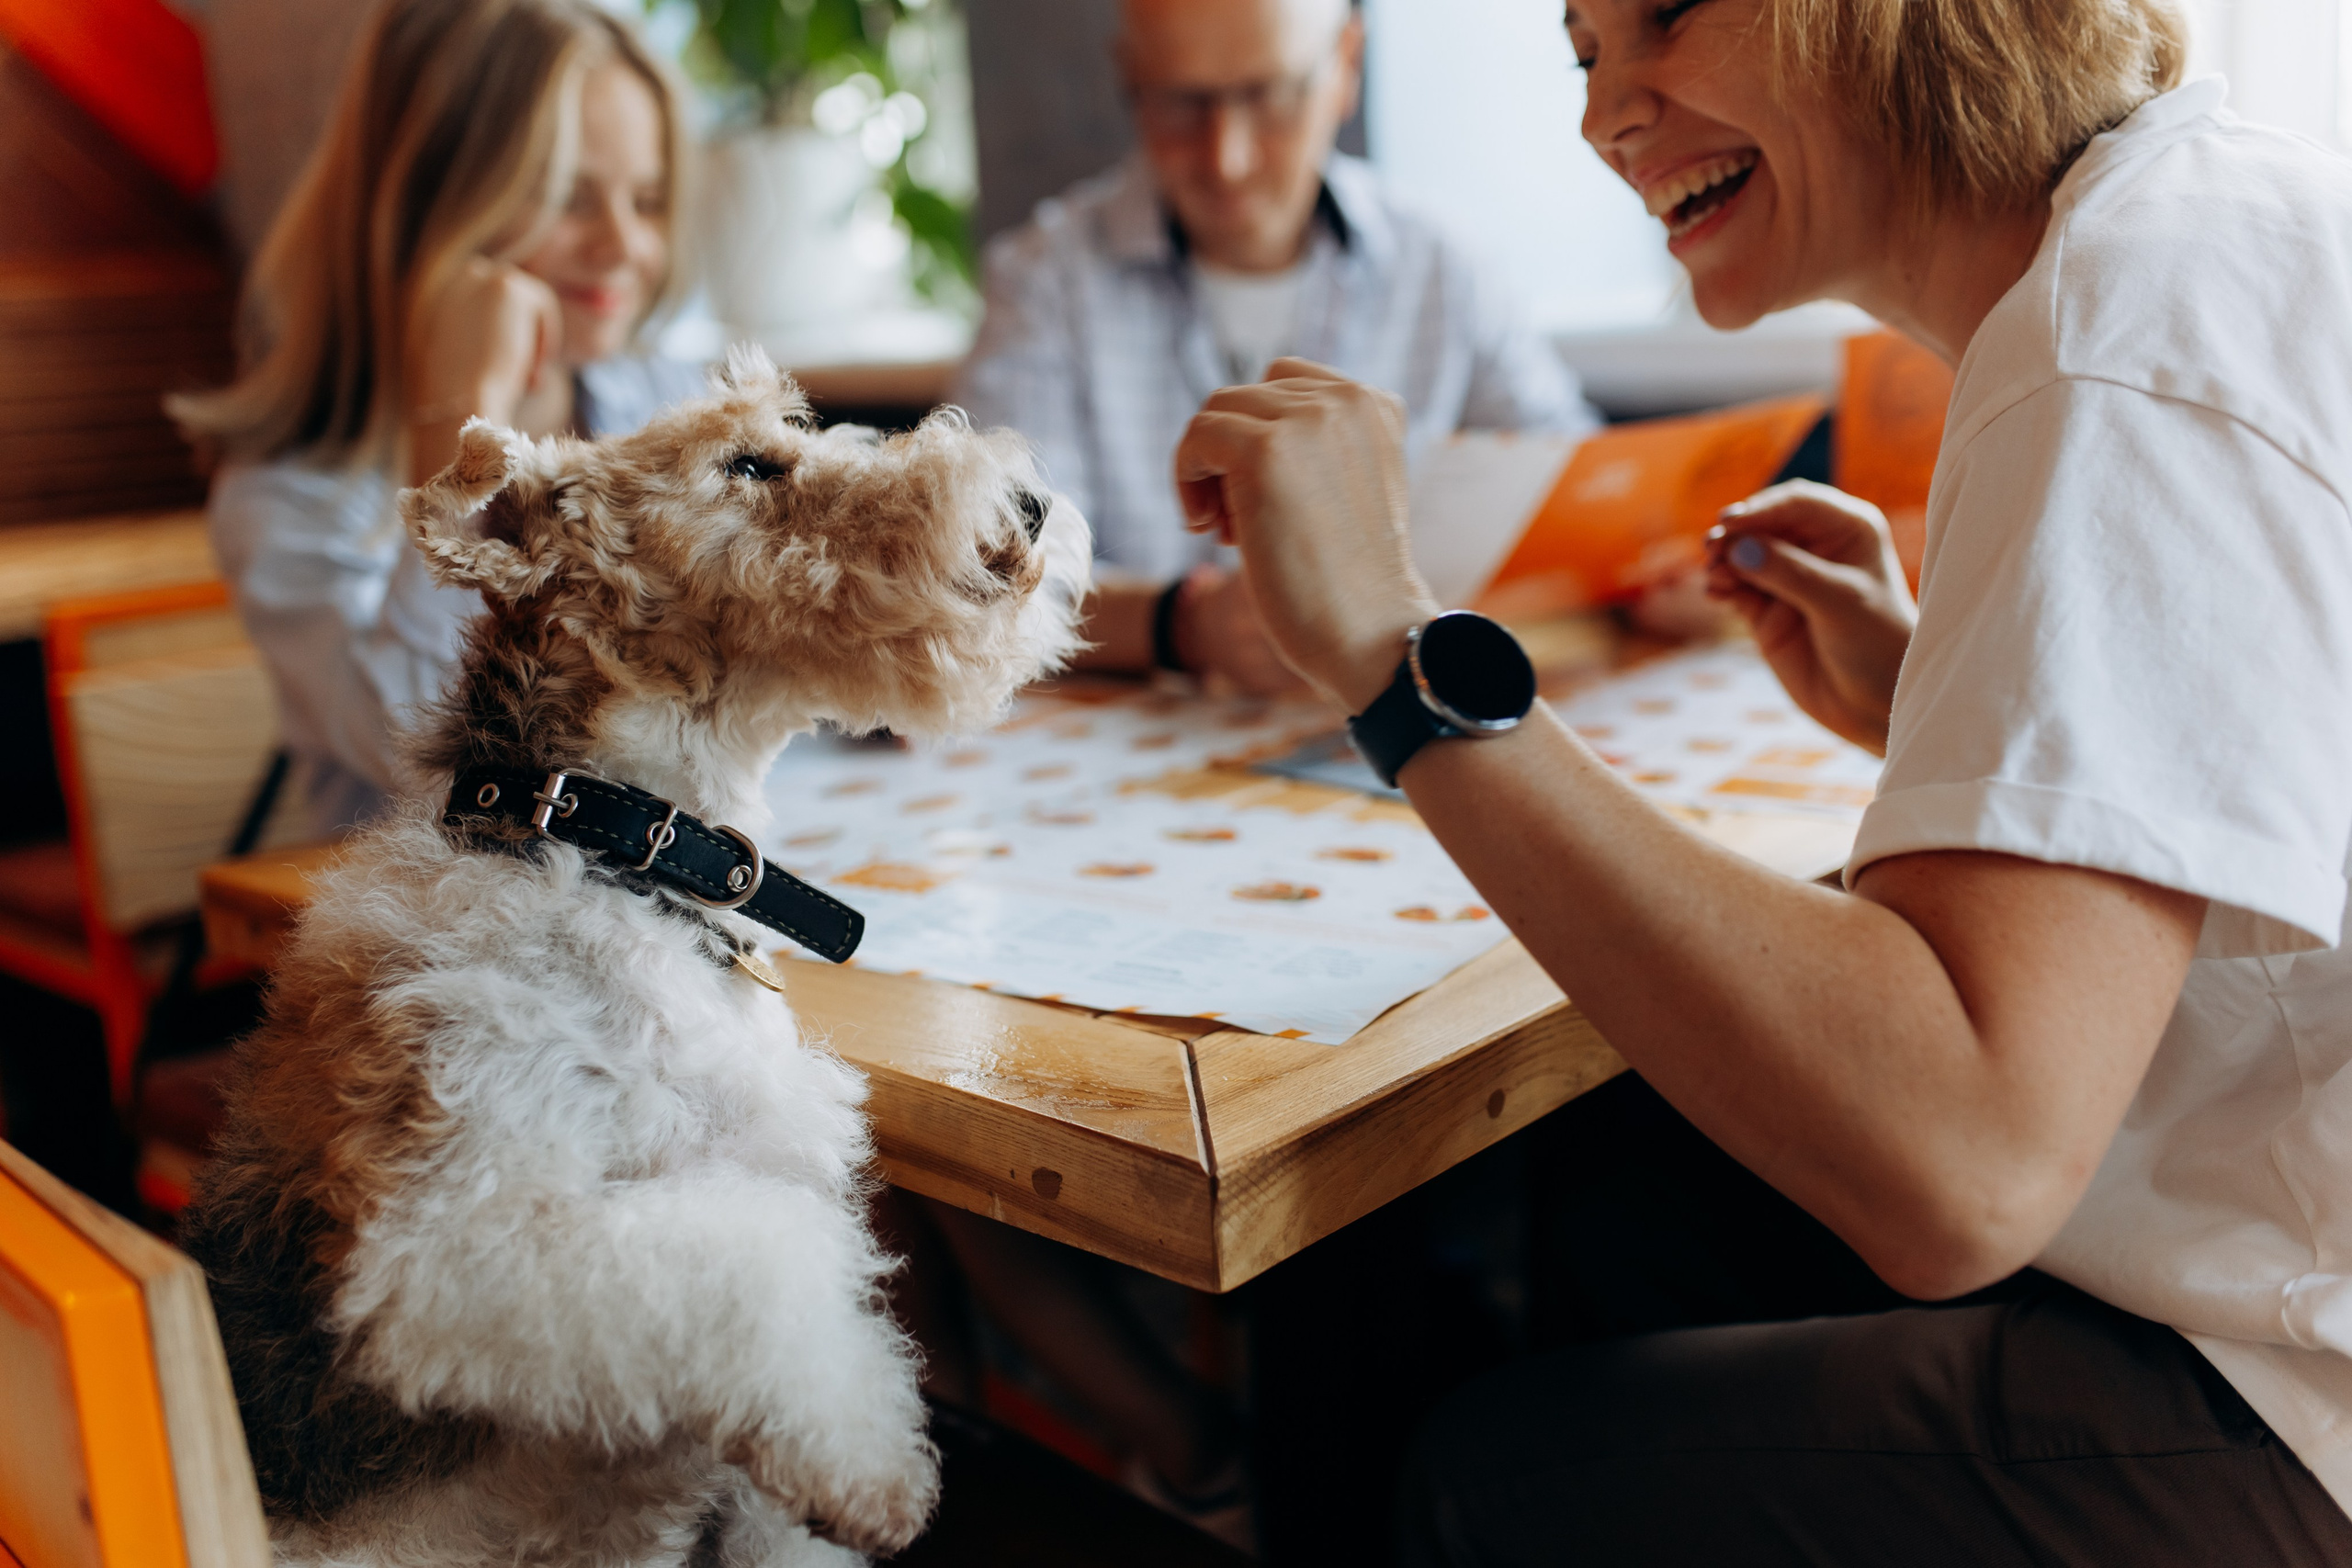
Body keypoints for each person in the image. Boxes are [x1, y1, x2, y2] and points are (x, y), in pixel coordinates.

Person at [1169, 0, 2352, 1557]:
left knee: (1487, 1473)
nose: (1602, 119)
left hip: (2296, 1403)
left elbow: (1967, 1164)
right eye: (1584, 56)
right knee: (1620, 1176)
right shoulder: (2211, 216)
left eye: (1661, 15)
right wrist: (1934, 692)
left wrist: (1397, 653)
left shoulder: (2106, 337)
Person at [954, 0, 1595, 695]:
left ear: (1345, 65)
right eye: (1180, 102)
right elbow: (987, 578)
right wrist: (1182, 624)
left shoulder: (1443, 266)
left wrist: (1653, 568)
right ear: (1131, 78)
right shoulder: (1045, 282)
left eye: (1270, 94)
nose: (1228, 157)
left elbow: (1576, 480)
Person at [172, 0, 703, 838]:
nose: (624, 245)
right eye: (566, 197)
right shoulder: (290, 498)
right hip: (456, 940)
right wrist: (460, 424)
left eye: (648, 198)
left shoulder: (658, 410)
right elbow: (451, 760)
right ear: (431, 205)